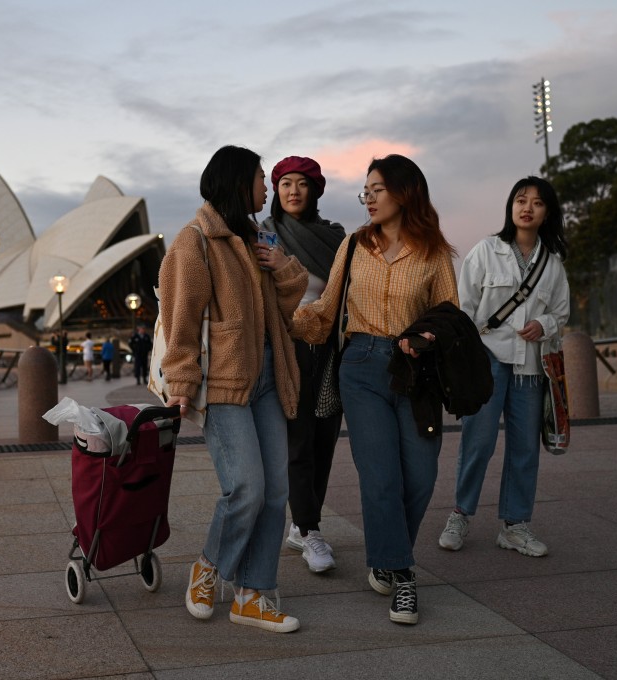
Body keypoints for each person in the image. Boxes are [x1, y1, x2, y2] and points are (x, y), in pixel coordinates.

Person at [293, 154, 457, 625]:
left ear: (404, 193)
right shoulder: (353, 245)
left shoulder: (434, 253)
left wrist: (424, 340)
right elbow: (325, 309)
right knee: (381, 476)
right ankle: (402, 575)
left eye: (377, 189)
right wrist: (285, 323)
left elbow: (450, 319)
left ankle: (388, 552)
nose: (368, 198)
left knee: (422, 476)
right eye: (365, 190)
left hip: (415, 373)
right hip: (361, 366)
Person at [159, 144, 308, 633]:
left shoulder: (255, 236)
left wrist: (279, 265)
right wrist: (181, 381)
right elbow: (179, 318)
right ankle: (209, 567)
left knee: (275, 491)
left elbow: (288, 304)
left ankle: (253, 593)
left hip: (269, 372)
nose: (268, 187)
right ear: (237, 180)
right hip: (224, 380)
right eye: (262, 178)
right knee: (246, 486)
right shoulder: (196, 239)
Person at [438, 176, 570, 558]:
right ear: (510, 207)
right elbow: (464, 307)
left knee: (525, 448)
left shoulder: (553, 264)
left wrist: (543, 324)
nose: (527, 207)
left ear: (547, 213)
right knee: (477, 442)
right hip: (488, 362)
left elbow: (560, 312)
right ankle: (461, 514)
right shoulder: (485, 251)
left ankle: (515, 525)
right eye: (520, 199)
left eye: (537, 202)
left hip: (530, 367)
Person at [261, 156, 346, 573]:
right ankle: (310, 529)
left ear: (315, 190)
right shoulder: (264, 235)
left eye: (302, 184)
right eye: (285, 184)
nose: (293, 191)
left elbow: (344, 291)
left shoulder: (335, 237)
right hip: (288, 345)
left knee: (325, 437)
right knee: (299, 438)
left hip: (329, 345)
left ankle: (302, 525)